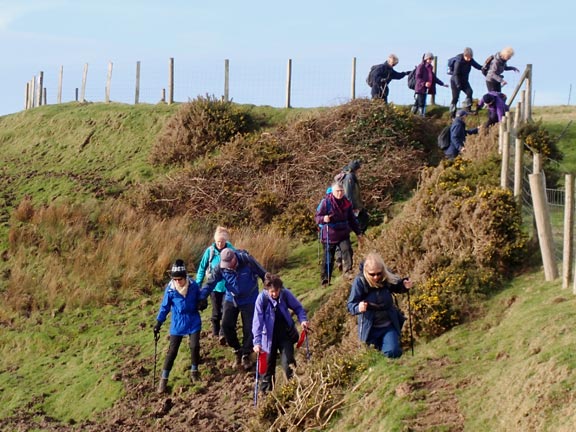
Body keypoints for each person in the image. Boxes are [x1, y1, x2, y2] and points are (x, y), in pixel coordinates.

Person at [202, 247, 267, 370]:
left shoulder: (247, 260)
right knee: (226, 325)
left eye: (229, 264)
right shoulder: (221, 267)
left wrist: (271, 289)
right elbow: (210, 283)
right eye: (224, 265)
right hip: (231, 298)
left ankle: (247, 354)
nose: (227, 267)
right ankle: (237, 350)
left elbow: (263, 273)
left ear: (234, 259)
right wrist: (201, 297)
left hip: (250, 298)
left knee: (250, 327)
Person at [153, 259, 210, 393]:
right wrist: (158, 323)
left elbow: (201, 298)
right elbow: (165, 307)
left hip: (193, 320)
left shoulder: (194, 286)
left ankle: (194, 371)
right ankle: (163, 379)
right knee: (172, 351)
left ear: (185, 277)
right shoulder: (170, 290)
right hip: (178, 323)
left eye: (180, 279)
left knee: (194, 346)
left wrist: (203, 303)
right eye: (175, 279)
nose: (177, 281)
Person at [347, 252, 413, 358]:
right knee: (371, 357)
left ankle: (393, 369)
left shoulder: (386, 276)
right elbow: (350, 305)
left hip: (388, 325)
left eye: (379, 273)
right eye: (372, 274)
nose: (376, 277)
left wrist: (404, 285)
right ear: (365, 272)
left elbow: (397, 286)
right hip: (369, 329)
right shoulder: (360, 282)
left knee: (393, 352)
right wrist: (358, 307)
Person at [252, 273, 309, 393]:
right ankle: (266, 396)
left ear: (280, 288)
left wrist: (303, 320)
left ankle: (295, 390)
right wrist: (257, 342)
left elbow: (298, 308)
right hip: (267, 338)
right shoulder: (261, 299)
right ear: (266, 289)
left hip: (285, 334)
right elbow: (257, 322)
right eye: (271, 291)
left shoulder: (285, 294)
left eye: (276, 291)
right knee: (267, 369)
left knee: (288, 363)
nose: (274, 294)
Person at [315, 181, 364, 285]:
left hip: (343, 233)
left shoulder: (347, 203)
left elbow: (352, 219)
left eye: (341, 191)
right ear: (332, 191)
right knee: (328, 258)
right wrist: (324, 218)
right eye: (337, 191)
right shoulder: (326, 202)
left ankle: (348, 273)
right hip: (329, 235)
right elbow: (317, 218)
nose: (340, 193)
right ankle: (325, 279)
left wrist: (358, 233)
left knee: (347, 251)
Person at [196, 226, 235, 344]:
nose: (219, 244)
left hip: (228, 287)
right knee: (216, 311)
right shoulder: (210, 251)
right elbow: (202, 268)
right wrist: (198, 285)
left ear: (226, 241)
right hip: (214, 287)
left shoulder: (231, 250)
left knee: (226, 311)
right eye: (218, 241)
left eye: (222, 241)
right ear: (215, 240)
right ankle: (215, 332)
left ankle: (223, 335)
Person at [411, 52, 449, 117]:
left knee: (418, 102)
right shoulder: (421, 66)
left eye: (431, 59)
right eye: (429, 59)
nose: (431, 60)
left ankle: (413, 115)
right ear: (426, 59)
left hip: (425, 88)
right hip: (419, 88)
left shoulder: (430, 68)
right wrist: (424, 83)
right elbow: (418, 77)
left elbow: (433, 77)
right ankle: (421, 116)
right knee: (421, 103)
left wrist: (442, 84)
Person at [449, 47, 482, 117]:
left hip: (464, 81)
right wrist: (458, 84)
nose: (469, 59)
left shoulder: (470, 60)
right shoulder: (459, 61)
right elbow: (455, 74)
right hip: (455, 81)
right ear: (464, 55)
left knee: (469, 92)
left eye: (470, 57)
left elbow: (478, 66)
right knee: (455, 98)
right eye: (467, 57)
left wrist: (484, 68)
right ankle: (452, 114)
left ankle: (468, 109)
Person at [337, 160, 368, 234]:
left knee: (363, 219)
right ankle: (361, 237)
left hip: (355, 204)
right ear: (355, 169)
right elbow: (348, 194)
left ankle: (361, 235)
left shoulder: (349, 175)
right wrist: (352, 207)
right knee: (363, 219)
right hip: (353, 205)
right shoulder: (349, 177)